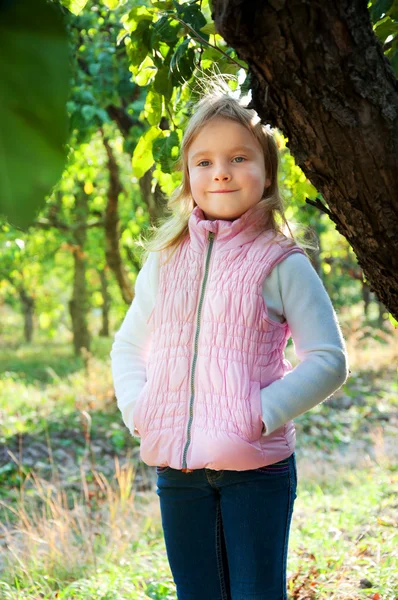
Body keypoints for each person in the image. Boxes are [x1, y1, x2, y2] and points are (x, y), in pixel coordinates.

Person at [110, 84, 349, 600]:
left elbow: (328, 360)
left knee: (255, 593)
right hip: (178, 472)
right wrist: (140, 409)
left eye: (239, 157)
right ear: (187, 177)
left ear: (267, 173)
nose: (220, 171)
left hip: (255, 471)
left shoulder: (281, 261)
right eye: (204, 161)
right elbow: (128, 347)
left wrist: (255, 415)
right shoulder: (166, 258)